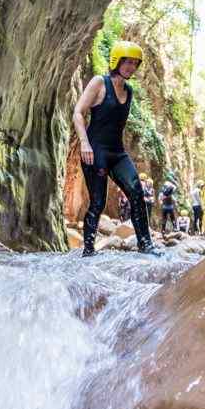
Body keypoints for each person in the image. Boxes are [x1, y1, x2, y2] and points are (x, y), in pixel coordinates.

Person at [72, 40, 161, 256]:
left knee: (137, 192)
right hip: (95, 151)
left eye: (134, 63)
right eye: (127, 62)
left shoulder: (129, 91)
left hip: (117, 153)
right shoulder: (99, 83)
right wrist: (84, 143)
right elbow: (78, 112)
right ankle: (88, 250)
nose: (131, 67)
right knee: (98, 201)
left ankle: (146, 245)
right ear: (116, 61)